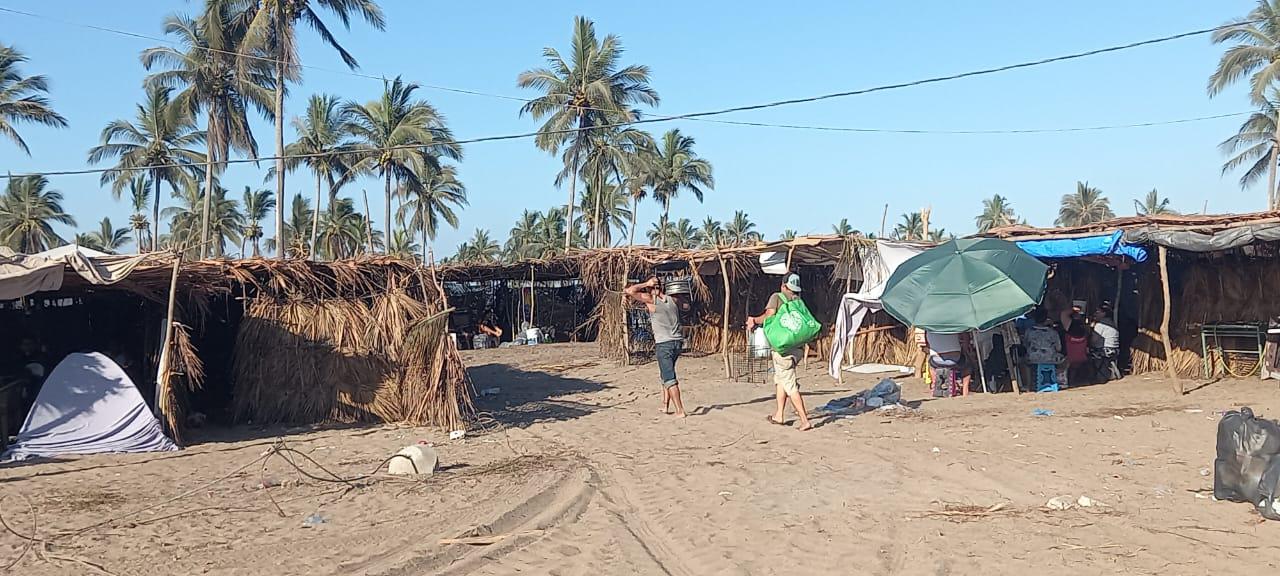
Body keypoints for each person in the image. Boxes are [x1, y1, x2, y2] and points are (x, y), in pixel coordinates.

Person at [747, 273, 814, 431]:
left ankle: (804, 420)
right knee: (780, 380)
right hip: (797, 348)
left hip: (783, 349)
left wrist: (754, 320)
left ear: (783, 285)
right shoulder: (798, 301)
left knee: (790, 384)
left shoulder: (777, 297)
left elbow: (768, 316)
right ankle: (779, 415)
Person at [624, 277, 688, 418]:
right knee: (665, 374)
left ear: (650, 289)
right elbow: (686, 305)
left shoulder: (652, 300)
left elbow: (630, 291)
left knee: (669, 378)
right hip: (677, 342)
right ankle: (665, 405)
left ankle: (680, 410)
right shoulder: (673, 300)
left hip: (664, 344)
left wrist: (646, 283)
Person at [1024, 308, 1064, 392]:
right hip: (1050, 358)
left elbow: (1025, 345)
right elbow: (1059, 348)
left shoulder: (1029, 331)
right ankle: (1059, 381)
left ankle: (1028, 385)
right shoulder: (1053, 332)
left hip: (1033, 358)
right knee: (1064, 359)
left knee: (1023, 362)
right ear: (1046, 319)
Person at [925, 331, 968, 397]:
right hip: (954, 359)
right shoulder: (956, 326)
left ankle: (934, 383)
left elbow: (927, 344)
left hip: (937, 360)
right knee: (967, 367)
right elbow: (966, 339)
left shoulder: (928, 328)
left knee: (931, 364)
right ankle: (965, 391)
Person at [1090, 302, 1121, 382]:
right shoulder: (1111, 322)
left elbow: (1094, 340)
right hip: (1114, 349)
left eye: (1098, 312)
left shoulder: (1101, 325)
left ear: (1104, 313)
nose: (1095, 314)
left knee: (1088, 353)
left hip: (1106, 350)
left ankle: (1095, 376)